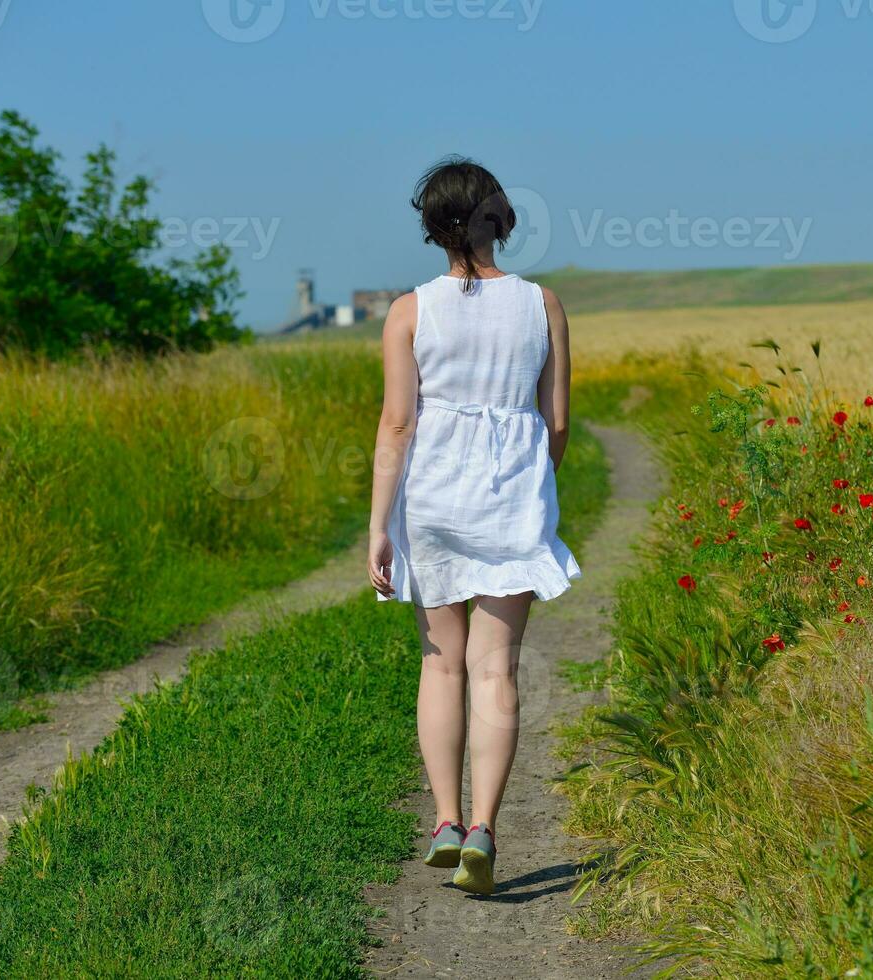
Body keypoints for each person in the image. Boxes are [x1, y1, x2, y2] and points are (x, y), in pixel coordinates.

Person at [367, 157, 580, 895]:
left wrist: (377, 527)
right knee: (496, 669)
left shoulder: (409, 311)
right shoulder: (541, 304)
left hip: (432, 497)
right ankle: (485, 829)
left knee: (441, 665)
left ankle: (445, 822)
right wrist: (534, 484)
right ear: (501, 220)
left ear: (434, 226)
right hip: (511, 498)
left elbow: (397, 424)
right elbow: (555, 423)